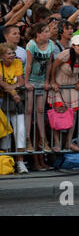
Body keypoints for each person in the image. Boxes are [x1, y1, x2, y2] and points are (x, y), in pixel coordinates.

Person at [48, 35, 79, 152]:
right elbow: (54, 66)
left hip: (73, 86)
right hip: (59, 85)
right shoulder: (66, 54)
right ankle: (57, 142)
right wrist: (53, 82)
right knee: (58, 114)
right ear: (73, 46)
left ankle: (69, 141)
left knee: (73, 115)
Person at [24, 23, 54, 153]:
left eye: (48, 31)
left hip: (41, 80)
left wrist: (47, 81)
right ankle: (27, 139)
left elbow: (49, 65)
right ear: (38, 34)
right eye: (46, 32)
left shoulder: (51, 44)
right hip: (31, 79)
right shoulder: (31, 45)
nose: (48, 34)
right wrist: (26, 82)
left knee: (41, 110)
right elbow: (29, 64)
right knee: (29, 110)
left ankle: (43, 139)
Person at [0, 43, 27, 173]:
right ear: (1, 56)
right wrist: (14, 92)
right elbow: (1, 82)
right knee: (5, 131)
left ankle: (20, 162)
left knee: (20, 130)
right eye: (8, 53)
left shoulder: (17, 62)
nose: (12, 55)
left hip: (14, 101)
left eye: (13, 53)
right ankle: (6, 161)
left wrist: (12, 89)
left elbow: (21, 81)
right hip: (2, 101)